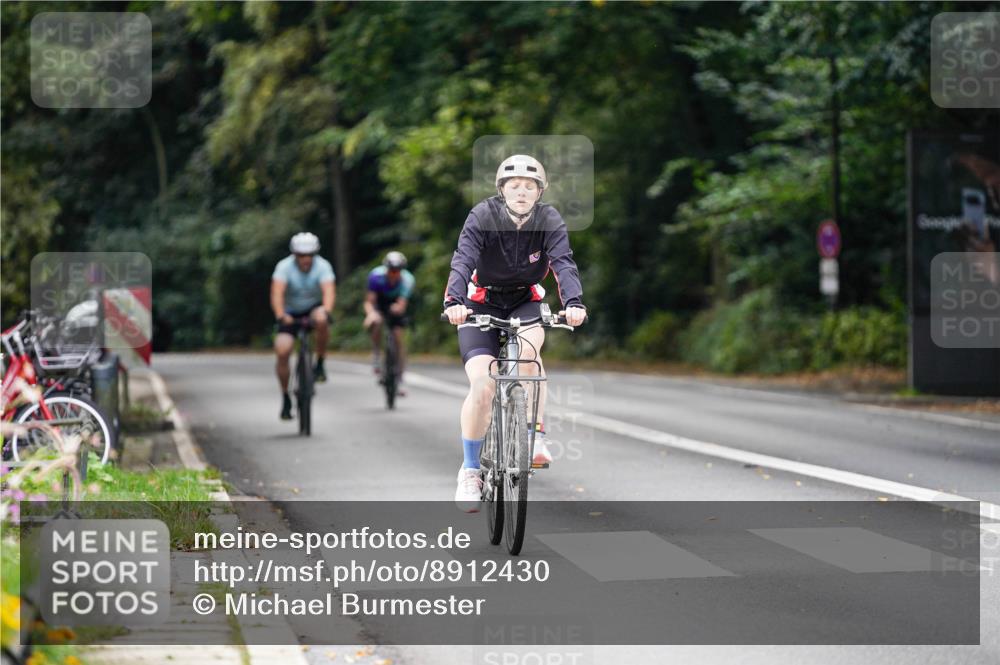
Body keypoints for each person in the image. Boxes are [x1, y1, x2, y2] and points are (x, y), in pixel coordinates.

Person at [442, 154, 587, 511]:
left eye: (529, 186)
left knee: (528, 356)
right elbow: (463, 258)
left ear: (539, 192)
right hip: (479, 303)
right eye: (514, 186)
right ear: (502, 190)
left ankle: (534, 434)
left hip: (525, 300)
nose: (522, 192)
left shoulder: (548, 218)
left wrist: (575, 303)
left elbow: (563, 262)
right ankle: (471, 470)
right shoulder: (483, 216)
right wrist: (454, 301)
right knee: (482, 385)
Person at [271, 232, 336, 420]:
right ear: (295, 255)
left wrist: (327, 310)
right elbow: (277, 293)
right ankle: (285, 397)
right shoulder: (284, 267)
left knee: (322, 320)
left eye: (309, 255)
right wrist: (281, 315)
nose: (305, 259)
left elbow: (329, 291)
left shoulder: (323, 266)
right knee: (282, 351)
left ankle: (320, 363)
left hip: (313, 309)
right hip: (290, 313)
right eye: (301, 255)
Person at [364, 251, 415, 395]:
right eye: (391, 271)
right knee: (376, 322)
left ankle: (399, 377)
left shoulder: (407, 279)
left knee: (398, 337)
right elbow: (369, 301)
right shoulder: (375, 276)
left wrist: (397, 308)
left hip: (395, 304)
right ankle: (376, 355)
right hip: (379, 304)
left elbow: (402, 304)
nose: (393, 274)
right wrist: (371, 314)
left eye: (397, 271)